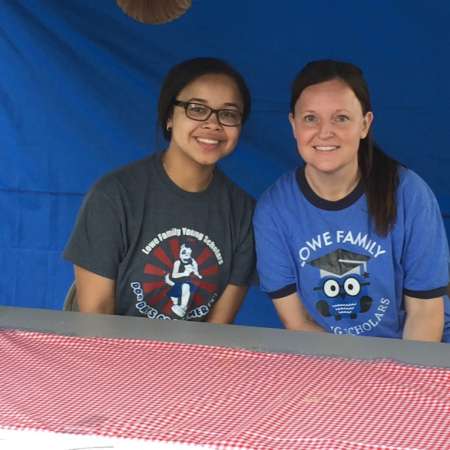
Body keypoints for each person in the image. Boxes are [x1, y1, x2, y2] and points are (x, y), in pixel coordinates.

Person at [254, 59, 450, 342]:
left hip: (419, 354)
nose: (324, 132)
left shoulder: (410, 194)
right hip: (332, 361)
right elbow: (298, 323)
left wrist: (394, 382)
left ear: (364, 124)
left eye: (341, 118)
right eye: (310, 118)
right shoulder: (274, 210)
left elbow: (424, 313)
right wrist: (348, 381)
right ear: (293, 125)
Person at [64, 57, 255, 323]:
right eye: (196, 109)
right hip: (105, 355)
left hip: (192, 360)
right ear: (169, 117)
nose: (213, 124)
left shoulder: (245, 213)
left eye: (228, 114)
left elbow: (219, 328)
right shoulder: (113, 196)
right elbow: (96, 316)